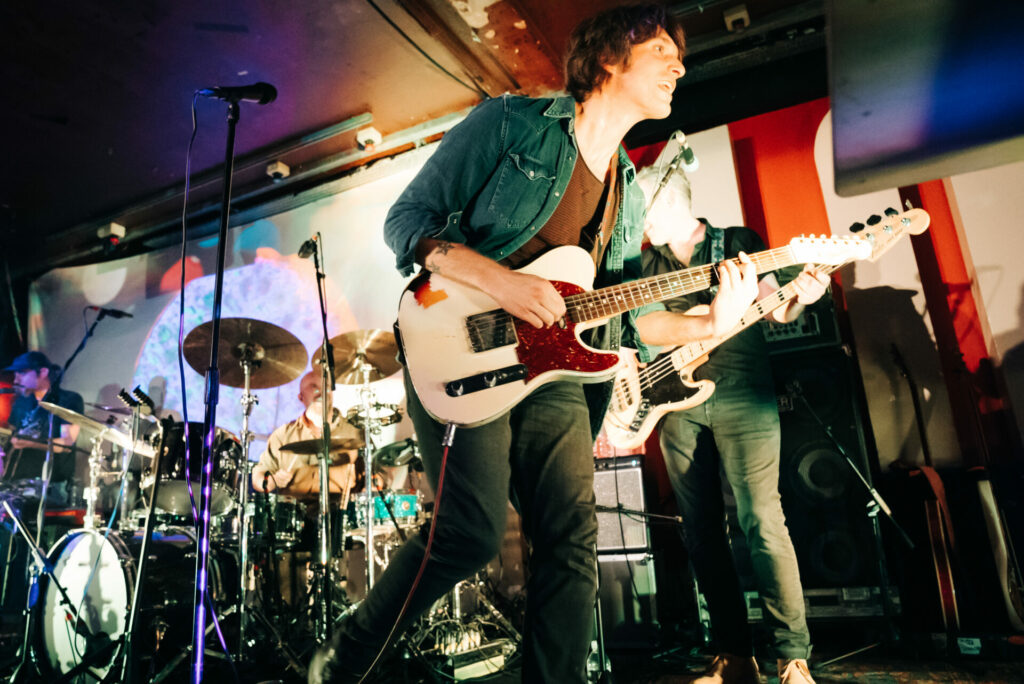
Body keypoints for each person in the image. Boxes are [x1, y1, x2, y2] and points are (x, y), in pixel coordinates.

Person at [309, 5, 692, 682]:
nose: (679, 65)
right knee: (469, 534)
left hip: (561, 374)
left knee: (571, 538)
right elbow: (407, 224)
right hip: (461, 345)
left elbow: (627, 319)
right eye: (662, 49)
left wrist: (717, 316)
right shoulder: (512, 122)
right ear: (609, 57)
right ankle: (354, 648)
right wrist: (503, 282)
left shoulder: (627, 193)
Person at [636, 164, 830, 684]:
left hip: (743, 391)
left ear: (671, 203)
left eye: (644, 208)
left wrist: (799, 296)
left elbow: (776, 310)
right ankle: (733, 656)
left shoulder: (737, 241)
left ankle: (793, 658)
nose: (638, 219)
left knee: (762, 519)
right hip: (673, 401)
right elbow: (645, 329)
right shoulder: (643, 260)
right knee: (700, 531)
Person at [252, 370, 362, 497]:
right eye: (313, 386)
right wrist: (271, 480)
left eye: (325, 386)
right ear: (301, 397)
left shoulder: (356, 431)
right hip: (295, 511)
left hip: (343, 511)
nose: (320, 391)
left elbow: (376, 473)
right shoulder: (283, 435)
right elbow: (258, 478)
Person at [0, 351, 83, 506]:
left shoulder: (68, 400)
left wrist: (30, 443)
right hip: (14, 482)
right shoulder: (21, 402)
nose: (16, 378)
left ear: (43, 372)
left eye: (22, 373)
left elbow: (65, 444)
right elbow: (10, 436)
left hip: (50, 485)